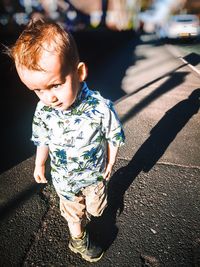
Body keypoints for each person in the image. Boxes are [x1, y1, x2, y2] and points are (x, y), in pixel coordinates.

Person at [6, 19, 125, 262]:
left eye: (55, 85)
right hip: (64, 181)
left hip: (94, 176)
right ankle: (78, 240)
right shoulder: (44, 110)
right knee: (73, 214)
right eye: (38, 90)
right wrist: (40, 164)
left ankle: (93, 212)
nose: (48, 97)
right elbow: (42, 138)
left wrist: (111, 163)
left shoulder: (101, 108)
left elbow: (113, 135)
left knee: (96, 209)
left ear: (79, 72)